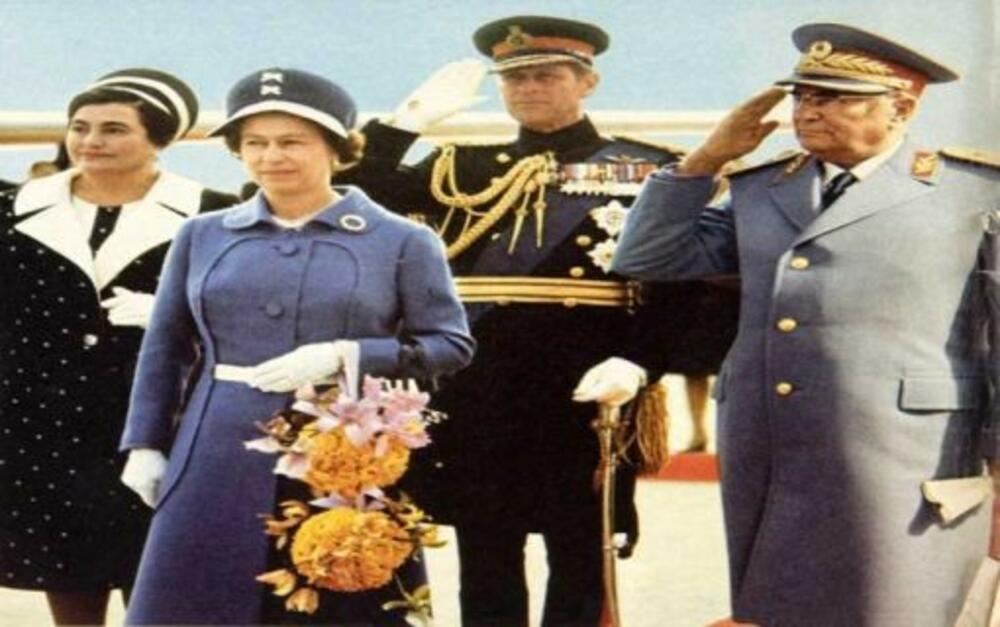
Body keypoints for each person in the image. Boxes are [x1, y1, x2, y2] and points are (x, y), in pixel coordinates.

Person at [347, 15, 738, 626]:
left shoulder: (650, 170)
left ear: (588, 82)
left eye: (547, 75)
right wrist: (405, 122)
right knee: (486, 552)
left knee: (580, 550)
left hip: (584, 383)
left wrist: (640, 362)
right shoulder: (458, 167)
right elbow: (354, 192)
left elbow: (678, 289)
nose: (528, 88)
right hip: (481, 384)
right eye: (515, 78)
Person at [612, 22, 1000, 625]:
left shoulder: (970, 192)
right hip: (769, 444)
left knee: (895, 610)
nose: (808, 112)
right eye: (802, 97)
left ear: (902, 107)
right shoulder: (764, 189)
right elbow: (649, 257)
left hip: (909, 454)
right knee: (778, 610)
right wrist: (708, 159)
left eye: (836, 98)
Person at [117, 67, 475, 626]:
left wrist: (344, 355)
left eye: (292, 142)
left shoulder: (401, 239)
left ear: (335, 148)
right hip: (213, 447)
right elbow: (166, 345)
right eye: (254, 143)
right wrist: (145, 443)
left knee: (338, 597)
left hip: (343, 450)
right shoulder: (201, 234)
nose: (271, 157)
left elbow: (449, 344)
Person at [0, 68, 235, 626]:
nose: (90, 141)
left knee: (156, 564)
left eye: (113, 129)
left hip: (157, 415)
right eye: (80, 127)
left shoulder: (216, 213)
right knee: (65, 565)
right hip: (39, 418)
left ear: (159, 139)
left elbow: (251, 305)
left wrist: (177, 314)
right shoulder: (12, 207)